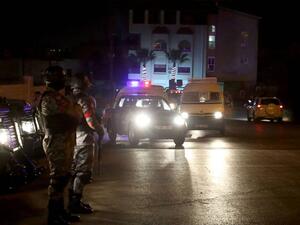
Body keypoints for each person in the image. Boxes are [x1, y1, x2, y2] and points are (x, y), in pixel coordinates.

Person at [38, 65, 81, 225]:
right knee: (58, 179)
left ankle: (61, 212)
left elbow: (75, 115)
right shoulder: (50, 98)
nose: (64, 80)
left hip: (65, 142)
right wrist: (73, 115)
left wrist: (73, 115)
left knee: (64, 177)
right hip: (56, 143)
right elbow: (64, 121)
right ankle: (54, 216)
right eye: (61, 77)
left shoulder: (60, 97)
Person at [68, 73, 104, 214]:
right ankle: (75, 203)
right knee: (82, 172)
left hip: (70, 139)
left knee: (72, 172)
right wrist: (100, 131)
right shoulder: (86, 99)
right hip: (83, 139)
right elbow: (90, 121)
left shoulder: (67, 98)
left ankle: (72, 201)